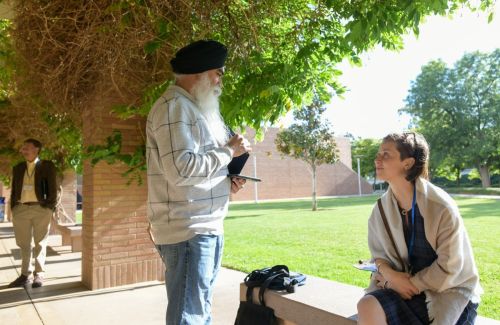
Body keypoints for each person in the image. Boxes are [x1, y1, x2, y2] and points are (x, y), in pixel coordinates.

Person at [146, 39, 251, 324]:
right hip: (188, 231)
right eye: (217, 72)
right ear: (199, 73)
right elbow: (181, 170)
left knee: (198, 312)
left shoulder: (190, 108)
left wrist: (225, 183)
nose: (219, 80)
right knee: (189, 317)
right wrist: (230, 150)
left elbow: (192, 170)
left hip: (200, 227)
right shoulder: (174, 108)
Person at [357, 132, 482, 325]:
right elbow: (378, 256)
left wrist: (409, 284)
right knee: (367, 306)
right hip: (401, 288)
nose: (377, 159)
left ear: (407, 163)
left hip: (448, 291)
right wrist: (391, 277)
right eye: (378, 153)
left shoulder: (440, 207)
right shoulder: (380, 210)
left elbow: (451, 267)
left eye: (386, 154)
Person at [8, 138, 57, 288]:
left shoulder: (46, 166)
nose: (23, 150)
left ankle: (39, 274)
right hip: (21, 209)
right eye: (23, 148)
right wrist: (14, 208)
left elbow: (53, 188)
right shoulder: (18, 168)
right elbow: (15, 189)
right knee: (24, 243)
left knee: (40, 242)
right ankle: (25, 274)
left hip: (40, 209)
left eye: (27, 148)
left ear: (36, 150)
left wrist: (49, 207)